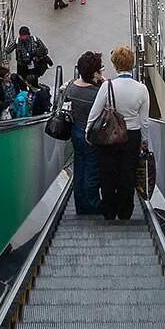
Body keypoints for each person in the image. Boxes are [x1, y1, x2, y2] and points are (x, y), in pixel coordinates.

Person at [87, 45, 152, 222]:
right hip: (132, 135)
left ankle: (108, 210)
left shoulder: (107, 86)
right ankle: (125, 211)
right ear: (131, 64)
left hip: (109, 135)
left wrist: (88, 132)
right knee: (127, 173)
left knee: (108, 173)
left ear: (115, 65)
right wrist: (145, 140)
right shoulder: (141, 89)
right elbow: (144, 120)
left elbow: (94, 113)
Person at [63, 51, 106, 216]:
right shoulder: (96, 92)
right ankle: (92, 204)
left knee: (79, 166)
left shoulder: (71, 88)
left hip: (75, 132)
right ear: (95, 73)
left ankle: (80, 204)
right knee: (92, 169)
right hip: (92, 135)